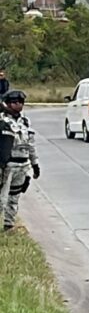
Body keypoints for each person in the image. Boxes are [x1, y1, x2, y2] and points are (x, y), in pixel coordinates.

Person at [0, 90, 40, 232]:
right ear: (8, 104)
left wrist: (35, 164)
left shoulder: (25, 121)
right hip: (7, 165)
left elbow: (31, 144)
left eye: (21, 102)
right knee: (1, 199)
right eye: (15, 102)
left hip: (23, 165)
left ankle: (9, 225)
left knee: (14, 197)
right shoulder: (2, 121)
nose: (19, 105)